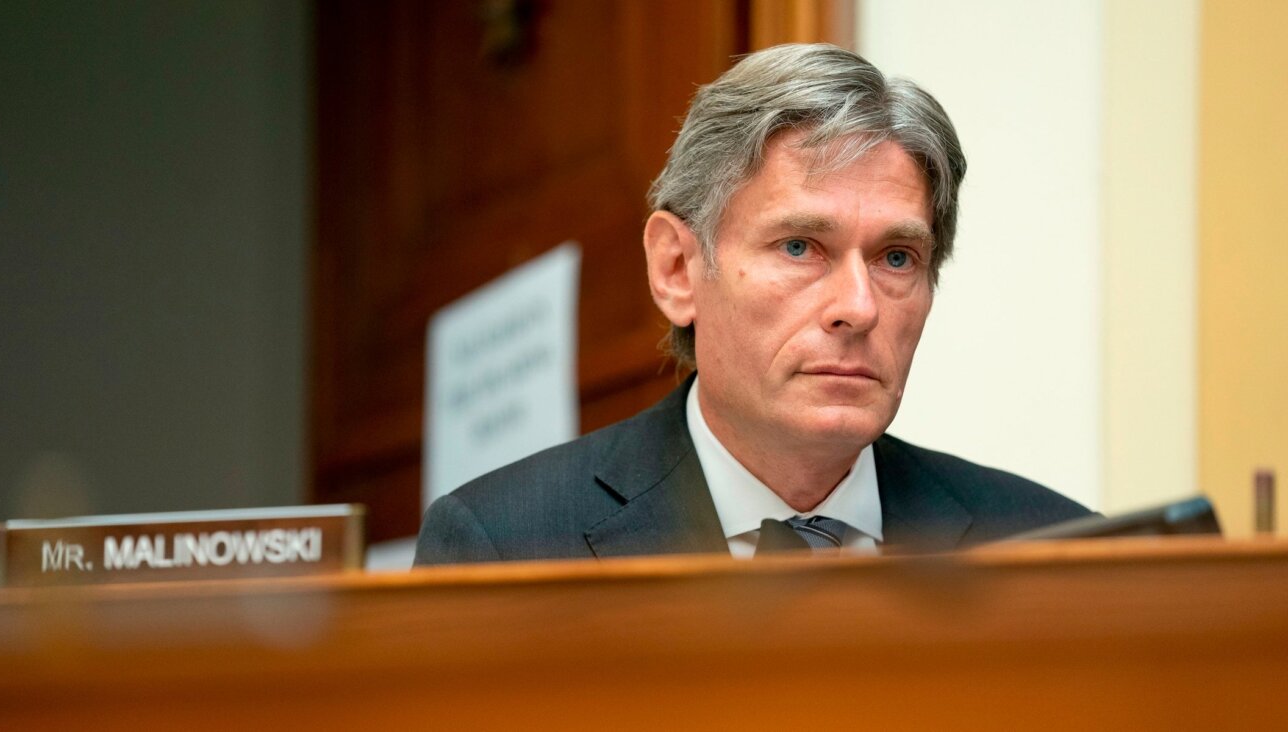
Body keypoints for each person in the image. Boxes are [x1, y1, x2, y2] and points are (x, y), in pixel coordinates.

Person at [414, 43, 1089, 565]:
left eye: (895, 258)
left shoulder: (1054, 550)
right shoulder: (506, 543)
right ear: (677, 269)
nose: (858, 307)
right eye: (799, 247)